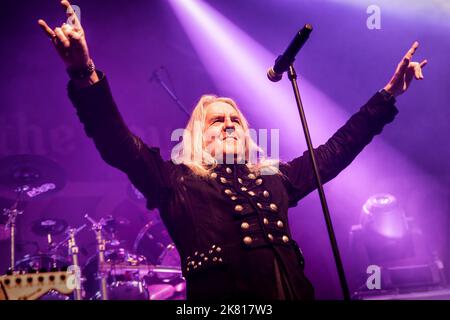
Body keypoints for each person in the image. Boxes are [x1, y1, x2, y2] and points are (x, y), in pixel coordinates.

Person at [38, 1, 427, 300]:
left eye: (235, 120)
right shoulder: (175, 180)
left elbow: (338, 148)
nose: (228, 124)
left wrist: (388, 95)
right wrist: (83, 71)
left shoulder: (275, 177)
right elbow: (115, 141)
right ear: (196, 138)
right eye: (216, 121)